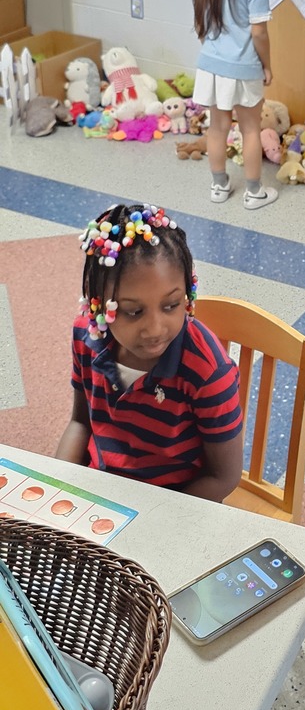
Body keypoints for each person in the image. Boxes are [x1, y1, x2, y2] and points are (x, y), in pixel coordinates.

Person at [56, 203, 244, 502]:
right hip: (101, 492)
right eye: (133, 311)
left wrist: (149, 523)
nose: (155, 329)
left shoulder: (207, 372)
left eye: (171, 305)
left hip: (176, 505)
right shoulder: (86, 335)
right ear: (98, 302)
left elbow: (223, 477)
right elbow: (80, 422)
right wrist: (58, 489)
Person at [192, 0, 277, 209]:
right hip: (243, 66)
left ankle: (219, 186)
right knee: (251, 129)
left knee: (217, 127)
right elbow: (259, 32)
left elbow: (200, 16)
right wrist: (267, 66)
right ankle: (254, 192)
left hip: (211, 65)